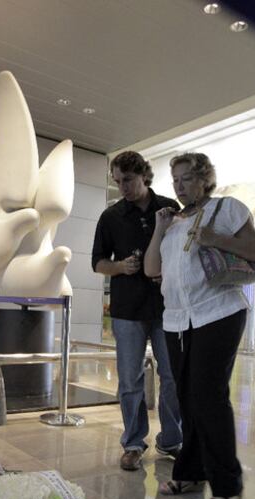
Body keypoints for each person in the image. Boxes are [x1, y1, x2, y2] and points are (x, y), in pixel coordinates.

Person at [144, 152, 255, 499]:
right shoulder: (173, 222)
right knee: (185, 395)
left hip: (219, 313)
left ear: (203, 179)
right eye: (175, 180)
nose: (179, 186)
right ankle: (191, 471)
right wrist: (158, 228)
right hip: (177, 320)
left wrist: (215, 238)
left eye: (186, 178)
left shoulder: (226, 208)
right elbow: (153, 270)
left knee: (208, 396)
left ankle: (228, 485)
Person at [92, 151, 183, 471]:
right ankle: (133, 441)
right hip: (127, 309)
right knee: (130, 380)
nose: (123, 189)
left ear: (144, 175)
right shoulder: (111, 216)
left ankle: (172, 439)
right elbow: (97, 263)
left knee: (172, 375)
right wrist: (119, 266)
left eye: (127, 180)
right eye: (117, 182)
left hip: (168, 306)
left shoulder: (171, 209)